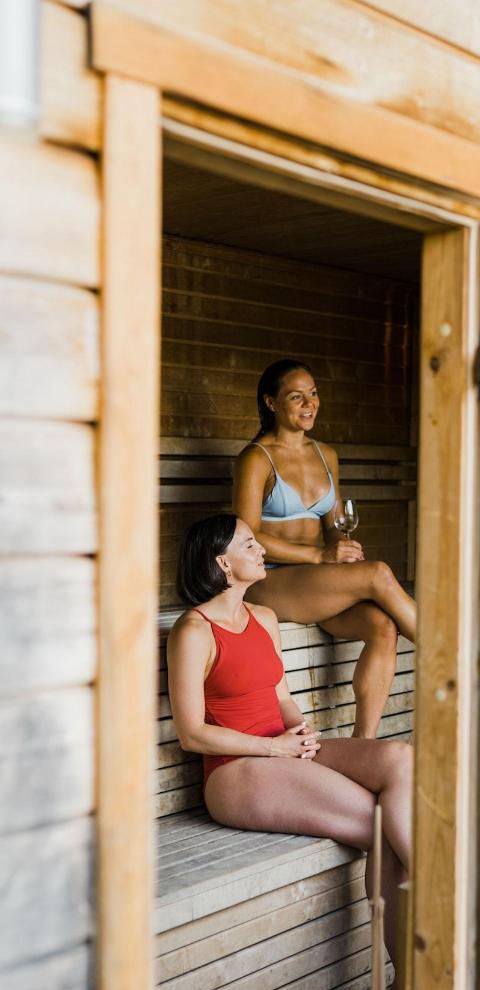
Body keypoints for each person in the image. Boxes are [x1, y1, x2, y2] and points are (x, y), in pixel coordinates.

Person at [167, 512, 411, 958]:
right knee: (386, 827)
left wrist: (300, 729)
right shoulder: (193, 631)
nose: (262, 549)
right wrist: (273, 747)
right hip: (235, 771)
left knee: (399, 757)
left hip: (282, 748)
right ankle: (418, 956)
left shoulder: (264, 617)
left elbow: (281, 697)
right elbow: (192, 734)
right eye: (249, 544)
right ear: (222, 562)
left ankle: (425, 906)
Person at [232, 359, 416, 740]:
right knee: (379, 574)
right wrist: (320, 557)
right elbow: (246, 536)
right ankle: (452, 659)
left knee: (383, 626)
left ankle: (363, 744)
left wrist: (341, 551)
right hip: (269, 581)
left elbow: (333, 528)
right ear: (271, 402)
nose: (309, 404)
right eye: (296, 396)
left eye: (313, 394)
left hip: (314, 584)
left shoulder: (325, 455)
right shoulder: (256, 458)